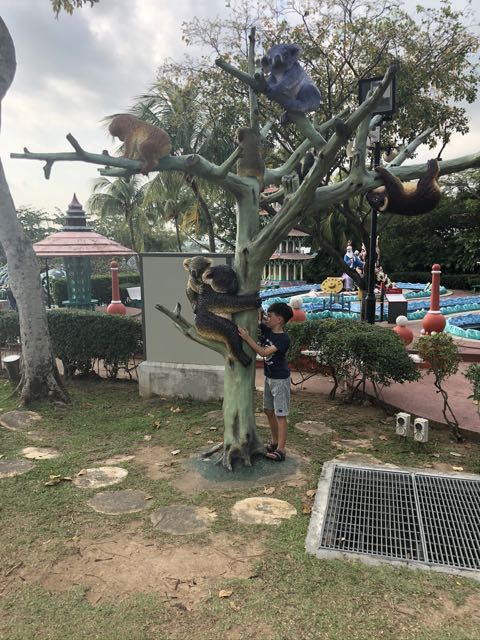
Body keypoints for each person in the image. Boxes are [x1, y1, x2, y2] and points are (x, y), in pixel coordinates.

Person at [238, 302, 293, 462]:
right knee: (268, 411)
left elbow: (263, 352)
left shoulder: (283, 339)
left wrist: (247, 338)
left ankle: (281, 450)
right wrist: (257, 306)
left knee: (281, 414)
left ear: (279, 319)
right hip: (269, 377)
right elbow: (258, 317)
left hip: (280, 380)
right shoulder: (267, 330)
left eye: (270, 316)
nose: (267, 318)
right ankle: (275, 442)